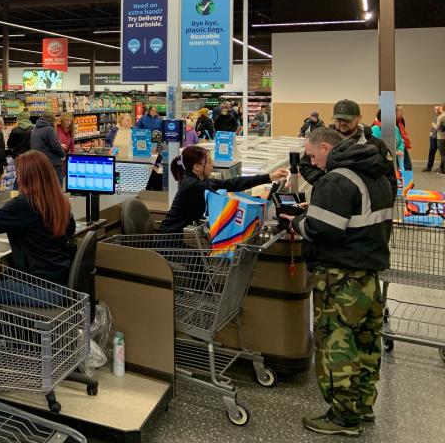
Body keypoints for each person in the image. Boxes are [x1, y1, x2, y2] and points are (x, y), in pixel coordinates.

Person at [283, 127, 392, 436]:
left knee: (337, 345)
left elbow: (321, 230)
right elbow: (355, 220)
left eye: (313, 155)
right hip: (368, 278)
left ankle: (343, 418)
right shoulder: (376, 175)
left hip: (340, 278)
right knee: (365, 344)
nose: (312, 162)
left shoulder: (336, 180)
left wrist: (297, 220)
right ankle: (363, 406)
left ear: (327, 148)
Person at [0, 150, 75, 301]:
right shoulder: (59, 202)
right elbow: (70, 231)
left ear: (28, 177)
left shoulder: (26, 203)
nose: (18, 177)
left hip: (41, 287)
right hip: (59, 281)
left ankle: (0, 325)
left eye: (19, 172)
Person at [159, 145, 288, 234]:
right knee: (201, 268)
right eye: (209, 161)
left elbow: (232, 183)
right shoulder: (194, 185)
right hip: (170, 240)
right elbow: (226, 204)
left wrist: (270, 177)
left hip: (179, 237)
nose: (212, 164)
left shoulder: (200, 181)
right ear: (197, 166)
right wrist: (259, 199)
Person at [300, 100, 396, 199]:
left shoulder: (375, 144)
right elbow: (305, 165)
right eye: (338, 120)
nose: (342, 123)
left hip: (364, 203)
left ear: (359, 118)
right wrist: (325, 182)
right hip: (329, 198)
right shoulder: (322, 140)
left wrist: (385, 203)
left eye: (347, 120)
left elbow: (389, 178)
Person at [30, 112, 65, 184]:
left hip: (39, 162)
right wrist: (62, 155)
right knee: (56, 185)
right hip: (52, 163)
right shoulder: (49, 129)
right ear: (52, 120)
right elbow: (55, 146)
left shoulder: (34, 130)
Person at [423, 104, 443, 172]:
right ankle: (429, 167)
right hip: (433, 138)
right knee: (431, 152)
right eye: (435, 109)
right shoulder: (435, 117)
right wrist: (431, 133)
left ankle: (442, 168)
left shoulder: (442, 117)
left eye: (438, 109)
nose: (437, 110)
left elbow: (437, 127)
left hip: (440, 138)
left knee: (442, 154)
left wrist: (434, 126)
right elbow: (433, 126)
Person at [394, 106, 411, 172]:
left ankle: (406, 178)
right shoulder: (393, 122)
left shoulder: (401, 121)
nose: (402, 111)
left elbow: (402, 133)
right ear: (395, 112)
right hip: (398, 147)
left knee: (404, 165)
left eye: (402, 109)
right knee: (406, 166)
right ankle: (406, 179)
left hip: (402, 145)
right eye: (400, 110)